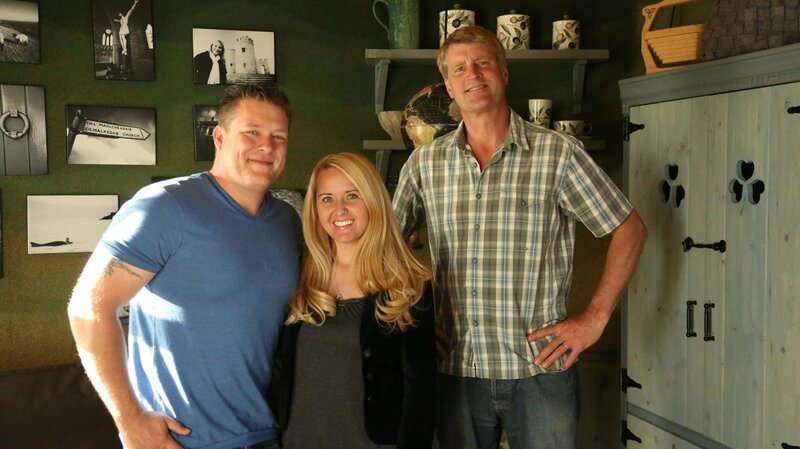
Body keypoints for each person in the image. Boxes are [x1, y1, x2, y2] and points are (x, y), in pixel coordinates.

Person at [392, 25, 648, 449]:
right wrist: (412, 323)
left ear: (504, 73)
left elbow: (630, 228)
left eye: (483, 62)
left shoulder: (558, 153)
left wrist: (594, 319)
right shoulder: (424, 164)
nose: (472, 73)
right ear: (449, 88)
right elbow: (383, 247)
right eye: (459, 69)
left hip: (541, 372)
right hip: (456, 371)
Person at [67, 83, 301, 449]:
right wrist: (129, 420)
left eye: (279, 136)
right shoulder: (164, 206)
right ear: (220, 137)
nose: (266, 146)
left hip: (267, 433)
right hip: (182, 440)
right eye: (252, 132)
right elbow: (88, 308)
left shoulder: (287, 221)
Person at [268, 152, 436, 449]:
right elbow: (280, 370)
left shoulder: (409, 285)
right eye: (327, 199)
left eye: (352, 196)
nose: (340, 210)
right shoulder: (298, 276)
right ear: (315, 209)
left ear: (373, 201)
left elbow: (420, 395)